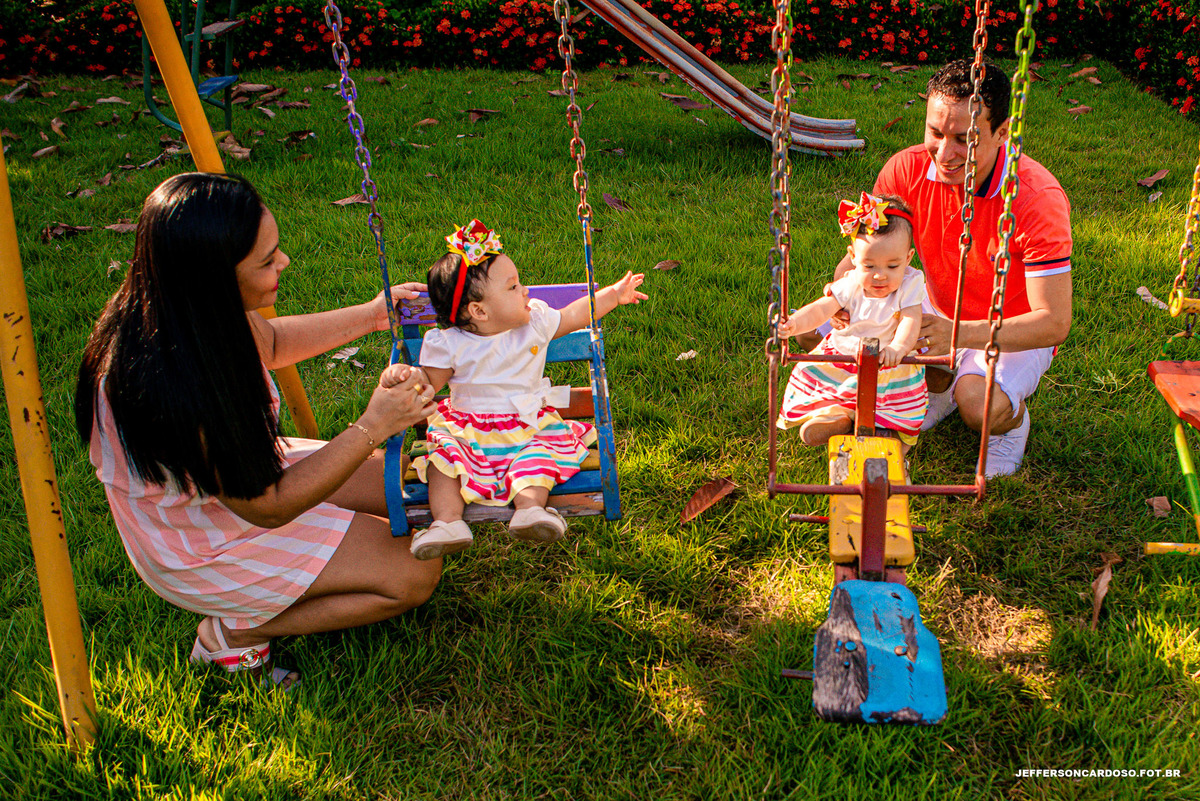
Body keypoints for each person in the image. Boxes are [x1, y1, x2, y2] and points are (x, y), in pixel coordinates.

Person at [75, 172, 441, 685]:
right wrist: (371, 426)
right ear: (215, 275)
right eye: (266, 260)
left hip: (238, 474)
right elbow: (268, 507)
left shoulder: (185, 305)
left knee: (403, 483)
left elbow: (267, 344)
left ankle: (292, 580)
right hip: (203, 541)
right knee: (413, 572)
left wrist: (372, 315)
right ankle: (236, 632)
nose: (283, 262)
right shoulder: (170, 383)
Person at [826, 58, 1072, 477]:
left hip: (1013, 326)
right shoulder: (904, 170)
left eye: (965, 140)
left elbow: (1053, 323)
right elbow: (858, 262)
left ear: (1003, 132)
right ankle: (938, 386)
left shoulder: (1036, 198)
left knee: (978, 405)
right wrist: (842, 298)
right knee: (870, 349)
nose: (945, 153)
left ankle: (1007, 425)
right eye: (935, 133)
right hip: (938, 306)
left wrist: (956, 334)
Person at [405, 219, 647, 560]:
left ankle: (530, 511)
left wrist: (612, 295)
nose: (526, 291)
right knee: (443, 461)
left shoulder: (534, 323)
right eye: (513, 287)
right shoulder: (449, 344)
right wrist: (408, 379)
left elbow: (576, 315)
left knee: (536, 458)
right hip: (466, 429)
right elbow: (428, 384)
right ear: (479, 311)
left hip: (528, 424)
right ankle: (447, 523)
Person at [777, 193, 927, 452]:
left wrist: (899, 347)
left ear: (909, 257)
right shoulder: (850, 282)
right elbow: (822, 309)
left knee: (894, 409)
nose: (880, 275)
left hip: (889, 363)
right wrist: (795, 323)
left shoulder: (910, 283)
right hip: (844, 358)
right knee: (833, 392)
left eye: (893, 266)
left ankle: (893, 437)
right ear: (853, 257)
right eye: (869, 266)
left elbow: (911, 318)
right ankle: (834, 418)